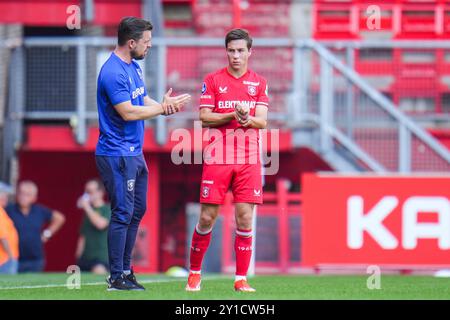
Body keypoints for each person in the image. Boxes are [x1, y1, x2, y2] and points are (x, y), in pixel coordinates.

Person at [95, 16, 191, 291]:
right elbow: (128, 112)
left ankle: (126, 270)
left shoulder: (133, 67)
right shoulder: (113, 72)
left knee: (137, 210)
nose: (149, 47)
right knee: (123, 211)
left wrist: (163, 104)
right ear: (131, 42)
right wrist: (161, 110)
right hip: (116, 153)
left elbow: (141, 100)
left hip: (133, 152)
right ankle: (116, 277)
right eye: (146, 42)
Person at [186, 29, 269, 292]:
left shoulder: (259, 82)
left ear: (249, 52)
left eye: (241, 50)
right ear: (226, 51)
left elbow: (262, 121)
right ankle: (195, 273)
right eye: (231, 50)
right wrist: (233, 114)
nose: (236, 55)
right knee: (208, 217)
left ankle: (240, 279)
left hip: (248, 159)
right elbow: (205, 117)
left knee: (244, 218)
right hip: (218, 156)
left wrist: (247, 119)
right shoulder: (212, 80)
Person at [6, 180, 66, 273]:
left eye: (27, 194)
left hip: (35, 259)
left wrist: (47, 234)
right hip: (13, 258)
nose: (23, 197)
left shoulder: (39, 210)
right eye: (21, 193)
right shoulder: (9, 210)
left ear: (34, 197)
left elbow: (60, 218)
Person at [75, 178, 111, 275]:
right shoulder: (88, 212)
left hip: (101, 257)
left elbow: (101, 224)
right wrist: (78, 257)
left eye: (89, 192)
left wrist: (86, 206)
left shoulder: (108, 208)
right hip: (85, 258)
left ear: (100, 192)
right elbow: (83, 236)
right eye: (86, 192)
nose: (86, 195)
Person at [0, 182, 19, 274]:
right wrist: (11, 256)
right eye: (4, 195)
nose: (6, 198)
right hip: (4, 259)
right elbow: (2, 237)